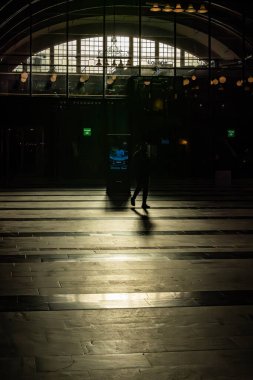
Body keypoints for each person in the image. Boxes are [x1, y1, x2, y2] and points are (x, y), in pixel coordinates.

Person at [131, 142, 150, 209]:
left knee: (144, 188)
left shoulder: (142, 154)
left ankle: (143, 203)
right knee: (140, 187)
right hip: (141, 174)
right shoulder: (139, 154)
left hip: (144, 174)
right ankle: (134, 198)